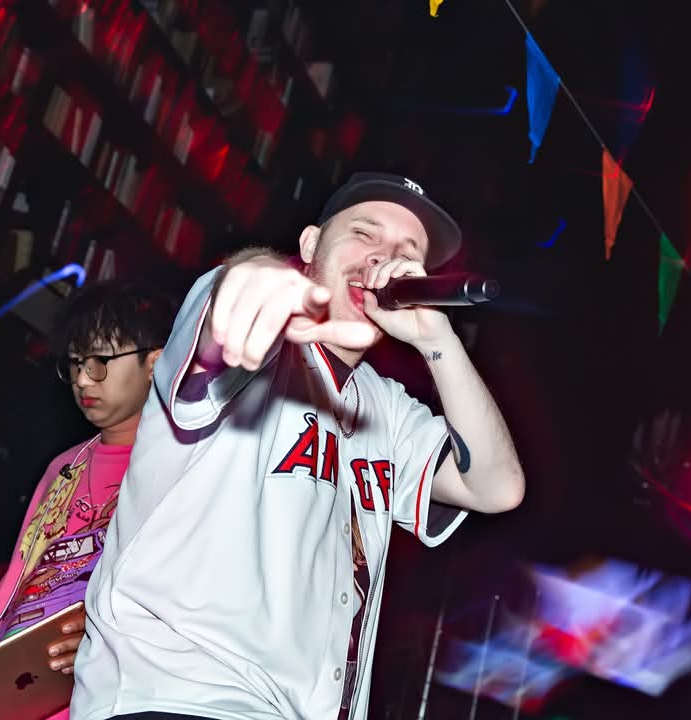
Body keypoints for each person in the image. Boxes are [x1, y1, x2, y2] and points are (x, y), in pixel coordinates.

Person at [71, 172, 526, 720]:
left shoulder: (387, 409)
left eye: (408, 252)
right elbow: (227, 312)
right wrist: (256, 274)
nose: (384, 258)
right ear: (311, 245)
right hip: (176, 697)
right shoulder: (256, 341)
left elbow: (498, 487)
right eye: (365, 233)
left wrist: (439, 340)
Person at [0, 281, 175, 719]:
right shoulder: (65, 467)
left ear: (156, 362)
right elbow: (26, 590)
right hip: (10, 692)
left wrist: (110, 642)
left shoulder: (179, 470)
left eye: (100, 361)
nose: (83, 379)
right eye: (74, 362)